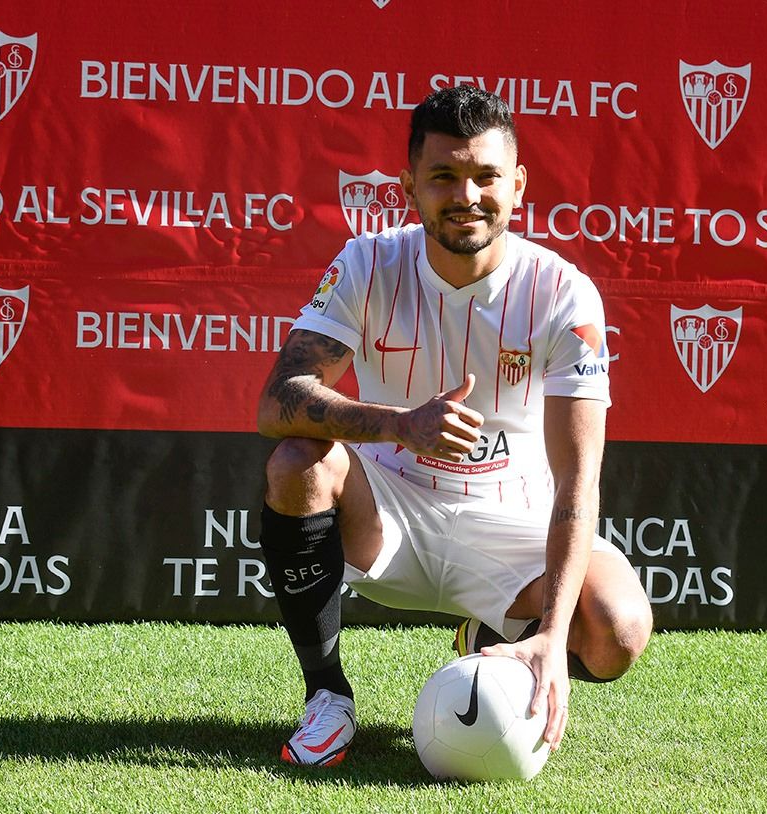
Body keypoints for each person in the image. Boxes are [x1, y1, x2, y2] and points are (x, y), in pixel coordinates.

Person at [256, 85, 652, 767]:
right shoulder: (367, 263)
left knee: (616, 633)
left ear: (517, 185)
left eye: (486, 176)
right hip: (390, 513)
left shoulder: (563, 293)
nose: (466, 195)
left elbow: (578, 479)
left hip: (511, 525)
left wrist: (553, 637)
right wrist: (400, 425)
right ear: (409, 186)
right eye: (443, 176)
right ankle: (327, 697)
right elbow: (277, 401)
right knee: (297, 461)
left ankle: (494, 639)